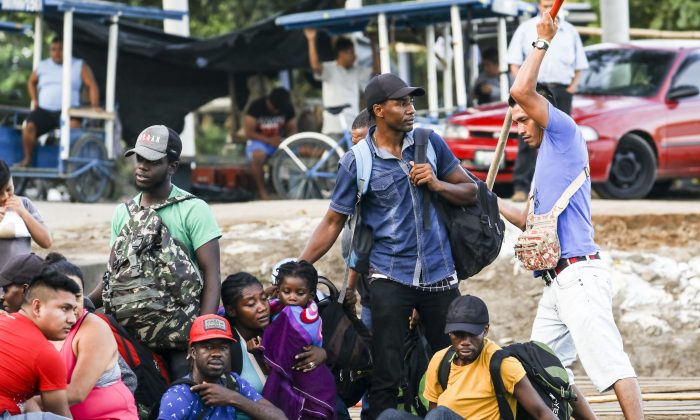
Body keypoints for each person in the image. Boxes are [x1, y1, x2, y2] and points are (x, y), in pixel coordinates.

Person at [299, 73, 477, 419]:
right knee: (385, 374)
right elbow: (334, 221)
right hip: (388, 280)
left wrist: (437, 184)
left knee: (455, 365)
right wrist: (298, 266)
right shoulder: (357, 161)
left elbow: (470, 191)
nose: (411, 109)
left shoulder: (430, 143)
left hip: (440, 277)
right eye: (402, 103)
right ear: (379, 110)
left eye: (411, 102)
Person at [498, 9, 643, 420]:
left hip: (580, 275)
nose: (520, 127)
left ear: (544, 111)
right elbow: (527, 218)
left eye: (524, 119)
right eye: (516, 122)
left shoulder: (564, 134)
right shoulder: (546, 162)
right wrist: (483, 197)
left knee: (610, 365)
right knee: (543, 369)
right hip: (557, 283)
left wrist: (541, 40)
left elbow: (521, 88)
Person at [89, 125, 222, 380]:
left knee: (187, 390)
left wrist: (201, 335)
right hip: (129, 327)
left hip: (180, 329)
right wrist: (85, 303)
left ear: (172, 166)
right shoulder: (122, 213)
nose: (142, 166)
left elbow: (212, 274)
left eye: (152, 161)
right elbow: (112, 274)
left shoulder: (194, 209)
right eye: (139, 158)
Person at [378, 295, 557, 420]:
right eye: (458, 335)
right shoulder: (440, 360)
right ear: (449, 333)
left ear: (485, 330)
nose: (465, 342)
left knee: (440, 415)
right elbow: (431, 412)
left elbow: (542, 413)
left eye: (472, 335)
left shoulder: (503, 364)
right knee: (389, 416)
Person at [219, 272, 352, 419]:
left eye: (264, 299)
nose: (262, 307)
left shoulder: (282, 331)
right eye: (251, 304)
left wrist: (322, 354)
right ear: (231, 310)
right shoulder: (229, 349)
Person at [506, 0, 588, 202]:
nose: (549, 9)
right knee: (528, 138)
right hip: (535, 89)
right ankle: (522, 186)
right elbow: (514, 63)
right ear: (538, 6)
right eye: (545, 5)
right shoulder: (526, 29)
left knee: (559, 140)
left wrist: (571, 88)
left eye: (552, 4)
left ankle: (564, 185)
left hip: (560, 90)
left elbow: (580, 64)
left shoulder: (569, 32)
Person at [46, 252, 138, 420]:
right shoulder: (41, 329)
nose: (73, 303)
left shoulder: (94, 327)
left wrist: (27, 403)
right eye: (63, 296)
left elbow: (76, 393)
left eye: (78, 296)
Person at [156, 314, 285, 420]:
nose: (217, 354)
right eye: (208, 347)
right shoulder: (179, 395)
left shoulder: (233, 382)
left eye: (223, 348)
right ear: (193, 352)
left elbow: (280, 418)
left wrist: (232, 398)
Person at [0, 266, 80, 418]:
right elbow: (60, 414)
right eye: (65, 309)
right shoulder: (46, 354)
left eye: (74, 310)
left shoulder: (2, 319)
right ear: (37, 307)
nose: (72, 319)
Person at [260, 260, 336, 419]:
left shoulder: (304, 317)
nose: (292, 297)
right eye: (286, 291)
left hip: (306, 372)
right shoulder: (273, 307)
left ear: (311, 295)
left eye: (299, 293)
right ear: (277, 291)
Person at [20, 36, 100, 167]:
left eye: (60, 49)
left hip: (69, 110)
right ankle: (28, 159)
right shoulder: (43, 65)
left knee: (74, 128)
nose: (56, 52)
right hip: (45, 110)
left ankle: (70, 165)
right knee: (28, 126)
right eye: (53, 49)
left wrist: (95, 106)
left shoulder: (79, 65)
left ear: (67, 50)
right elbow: (31, 82)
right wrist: (34, 99)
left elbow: (92, 86)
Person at [304, 28, 373, 136]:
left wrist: (374, 44)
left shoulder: (356, 70)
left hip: (354, 126)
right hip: (333, 128)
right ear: (341, 54)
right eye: (350, 53)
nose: (354, 56)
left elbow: (376, 72)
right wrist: (311, 40)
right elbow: (315, 66)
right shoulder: (329, 68)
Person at [244, 88, 298, 200]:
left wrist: (287, 139)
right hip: (260, 142)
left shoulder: (287, 106)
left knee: (305, 151)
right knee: (258, 157)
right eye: (274, 109)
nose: (276, 112)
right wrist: (269, 140)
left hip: (281, 142)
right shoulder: (256, 106)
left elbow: (293, 128)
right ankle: (263, 192)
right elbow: (248, 133)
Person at [0, 160, 52, 269]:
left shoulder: (24, 204)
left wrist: (24, 213)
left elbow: (46, 241)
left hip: (23, 280)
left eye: (9, 189)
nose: (5, 196)